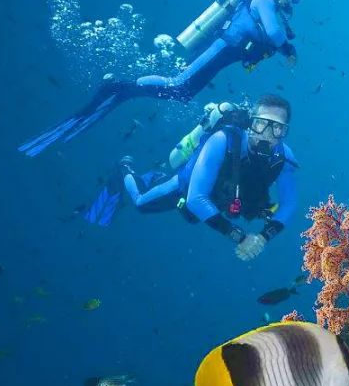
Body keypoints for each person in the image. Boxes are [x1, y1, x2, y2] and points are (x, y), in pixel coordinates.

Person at [19, 0, 300, 157]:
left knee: (183, 93)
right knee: (178, 84)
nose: (289, 0)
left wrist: (277, 47)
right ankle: (119, 86)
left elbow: (266, 37)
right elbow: (274, 34)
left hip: (224, 54)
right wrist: (287, 47)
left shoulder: (266, 6)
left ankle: (126, 90)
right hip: (220, 48)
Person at [94, 94, 299, 262]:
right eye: (261, 123)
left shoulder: (284, 158)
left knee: (196, 216)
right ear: (250, 123)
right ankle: (125, 168)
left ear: (284, 132)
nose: (267, 134)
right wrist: (240, 237)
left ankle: (156, 176)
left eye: (277, 128)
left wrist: (263, 238)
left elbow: (289, 203)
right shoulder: (223, 139)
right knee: (141, 203)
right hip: (187, 187)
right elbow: (195, 198)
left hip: (222, 196)